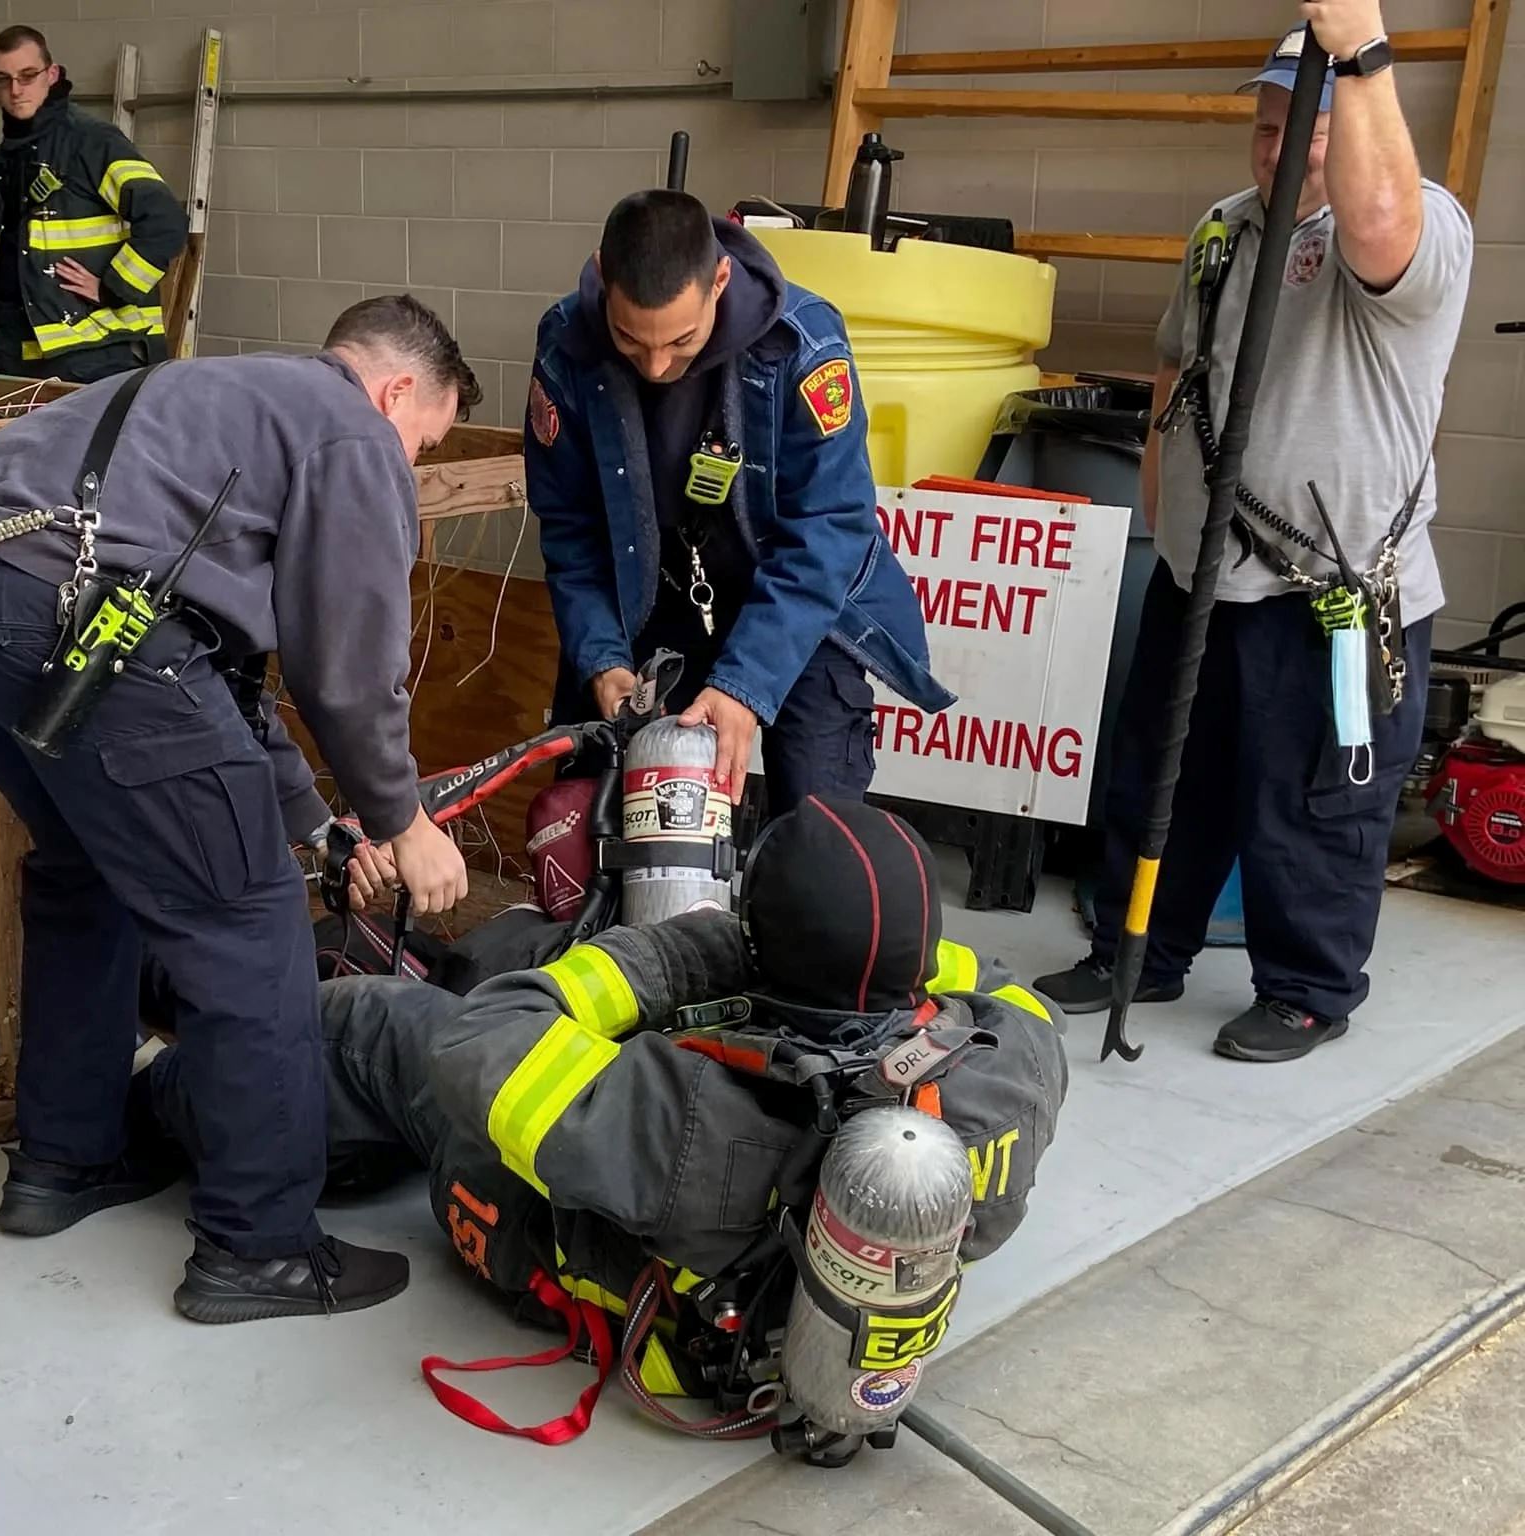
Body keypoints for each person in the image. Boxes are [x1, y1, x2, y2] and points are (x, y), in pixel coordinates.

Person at [0, 295, 477, 1323]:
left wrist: (313, 822)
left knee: (84, 869)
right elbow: (346, 667)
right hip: (76, 619)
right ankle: (260, 1249)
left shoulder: (218, 396)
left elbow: (218, 672)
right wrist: (401, 820)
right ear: (396, 392)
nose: (407, 469)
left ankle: (65, 1161)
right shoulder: (348, 429)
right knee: (246, 926)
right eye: (421, 445)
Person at [132, 795, 1067, 1438]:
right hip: (735, 1234)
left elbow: (479, 1043)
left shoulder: (690, 1120)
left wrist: (689, 957)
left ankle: (145, 1097)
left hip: (532, 1208)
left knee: (378, 1019)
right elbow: (1007, 995)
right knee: (518, 946)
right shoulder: (1002, 1081)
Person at [1036, 6, 1474, 1063]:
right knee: (1160, 777)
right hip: (1202, 575)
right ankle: (1137, 943)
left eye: (1308, 130)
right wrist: (1161, 509)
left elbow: (1372, 222)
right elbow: (1173, 366)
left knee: (1310, 803)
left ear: (1357, 132)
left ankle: (1307, 987)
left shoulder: (1412, 227)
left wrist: (1361, 49)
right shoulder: (1222, 228)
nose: (1279, 149)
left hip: (1324, 589)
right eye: (1267, 127)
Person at [524, 189, 952, 812]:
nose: (655, 366)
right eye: (630, 339)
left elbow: (830, 529)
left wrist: (746, 685)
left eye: (680, 340)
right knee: (588, 812)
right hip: (646, 603)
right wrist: (602, 658)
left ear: (719, 279)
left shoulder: (803, 345)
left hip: (793, 609)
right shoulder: (565, 346)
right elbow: (570, 529)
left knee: (817, 829)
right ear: (601, 274)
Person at [0, 24, 189, 383]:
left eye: (27, 76)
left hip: (94, 356)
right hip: (15, 356)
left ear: (52, 74)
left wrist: (112, 287)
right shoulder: (6, 158)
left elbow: (165, 221)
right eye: (3, 79)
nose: (16, 90)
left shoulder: (92, 143)